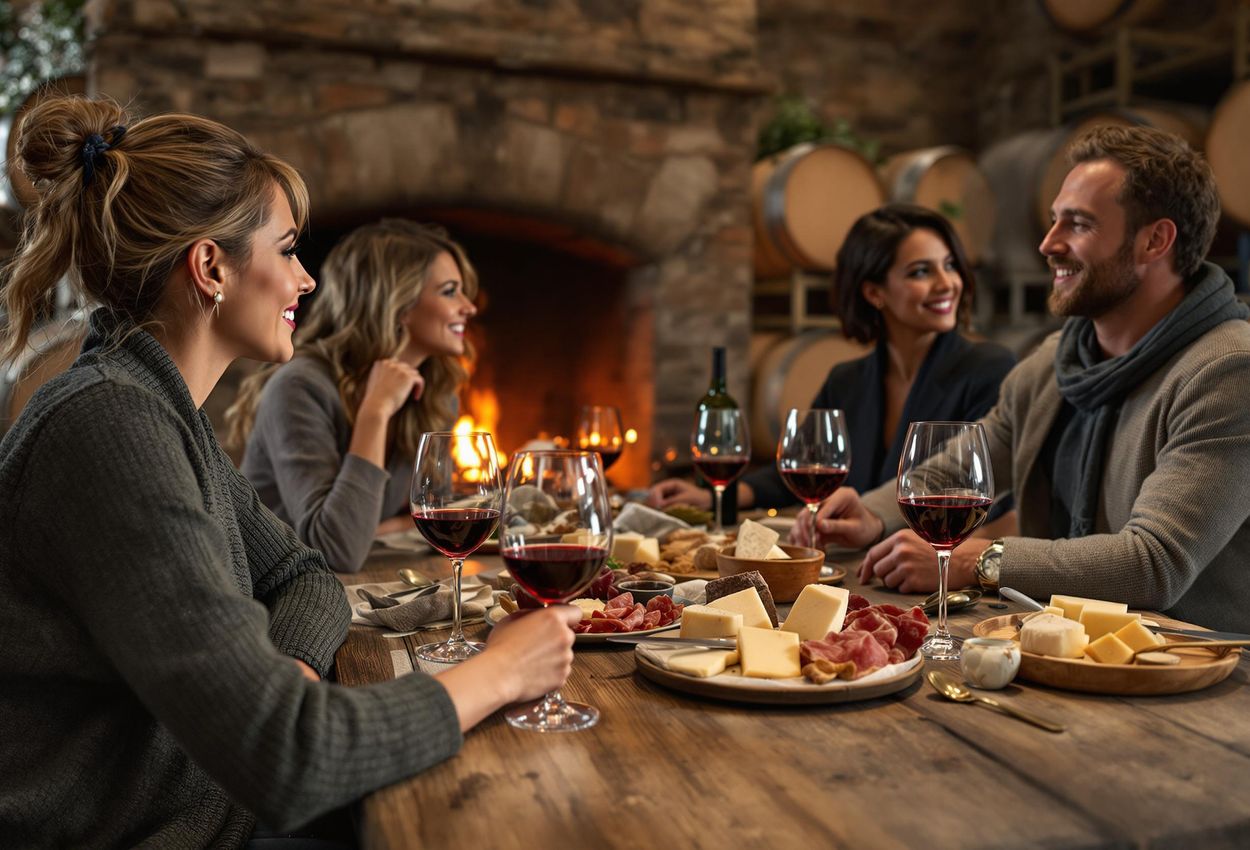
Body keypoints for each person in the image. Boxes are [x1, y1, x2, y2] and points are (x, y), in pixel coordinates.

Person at [0, 95, 579, 848]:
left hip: (221, 805)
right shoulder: (111, 428)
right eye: (286, 251)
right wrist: (502, 671)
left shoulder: (162, 412)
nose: (306, 281)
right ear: (210, 267)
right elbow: (291, 756)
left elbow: (305, 571)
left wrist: (294, 666)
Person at [794, 124, 1250, 634]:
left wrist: (982, 560)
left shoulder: (1228, 370)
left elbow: (1153, 563)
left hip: (1198, 678)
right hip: (1056, 650)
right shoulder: (1055, 362)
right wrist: (873, 515)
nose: (1048, 243)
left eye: (1077, 224)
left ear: (1155, 241)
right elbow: (955, 473)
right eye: (1055, 220)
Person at [647, 203, 1016, 513]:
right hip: (854, 571)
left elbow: (992, 500)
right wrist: (713, 497)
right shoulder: (846, 381)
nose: (947, 283)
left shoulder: (988, 370)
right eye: (921, 271)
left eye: (950, 265)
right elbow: (797, 474)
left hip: (934, 575)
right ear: (873, 292)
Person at [228, 219, 477, 573]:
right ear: (399, 303)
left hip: (370, 577)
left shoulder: (436, 393)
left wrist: (380, 528)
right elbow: (338, 549)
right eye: (450, 291)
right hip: (279, 594)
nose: (469, 306)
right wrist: (375, 413)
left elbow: (436, 521)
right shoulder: (300, 388)